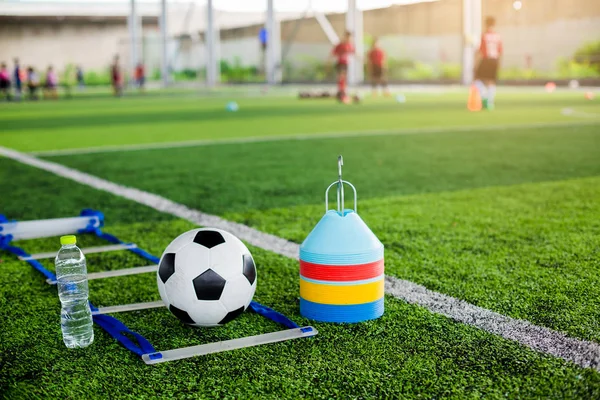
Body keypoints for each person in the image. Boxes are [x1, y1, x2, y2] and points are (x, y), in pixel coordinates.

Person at [474, 16, 503, 110]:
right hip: (494, 60)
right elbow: (500, 51)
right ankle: (490, 102)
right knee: (491, 82)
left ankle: (484, 96)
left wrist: (475, 63)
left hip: (486, 60)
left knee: (477, 80)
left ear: (486, 24)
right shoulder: (497, 36)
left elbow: (480, 51)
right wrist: (499, 64)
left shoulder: (485, 35)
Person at [330, 31, 355, 102]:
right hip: (340, 63)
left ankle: (342, 92)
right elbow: (333, 52)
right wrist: (329, 60)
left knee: (344, 78)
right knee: (341, 77)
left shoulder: (350, 45)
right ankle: (341, 92)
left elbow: (353, 52)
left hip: (346, 64)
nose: (349, 38)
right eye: (348, 37)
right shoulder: (340, 44)